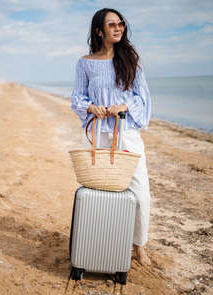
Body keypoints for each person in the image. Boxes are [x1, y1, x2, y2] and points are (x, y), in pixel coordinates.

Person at [70, 8, 152, 266]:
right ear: (99, 31)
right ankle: (97, 241)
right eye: (112, 25)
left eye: (121, 24)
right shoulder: (85, 62)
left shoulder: (131, 60)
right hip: (97, 135)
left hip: (126, 133)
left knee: (140, 192)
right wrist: (90, 107)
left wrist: (124, 106)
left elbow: (143, 98)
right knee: (97, 191)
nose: (118, 28)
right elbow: (77, 97)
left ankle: (139, 245)